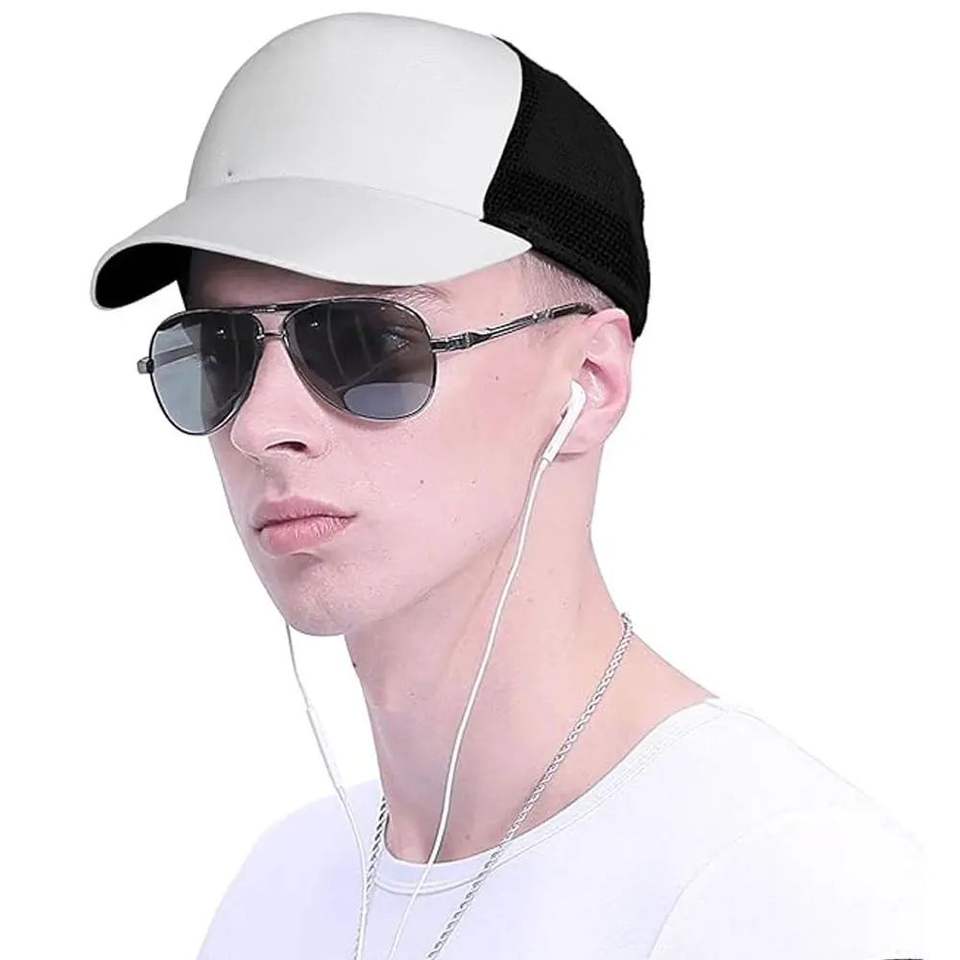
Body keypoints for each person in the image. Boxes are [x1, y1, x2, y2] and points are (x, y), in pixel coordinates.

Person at [89, 12, 924, 960]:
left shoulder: (780, 892)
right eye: (217, 350)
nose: (258, 422)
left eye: (368, 341)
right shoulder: (280, 891)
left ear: (590, 381)